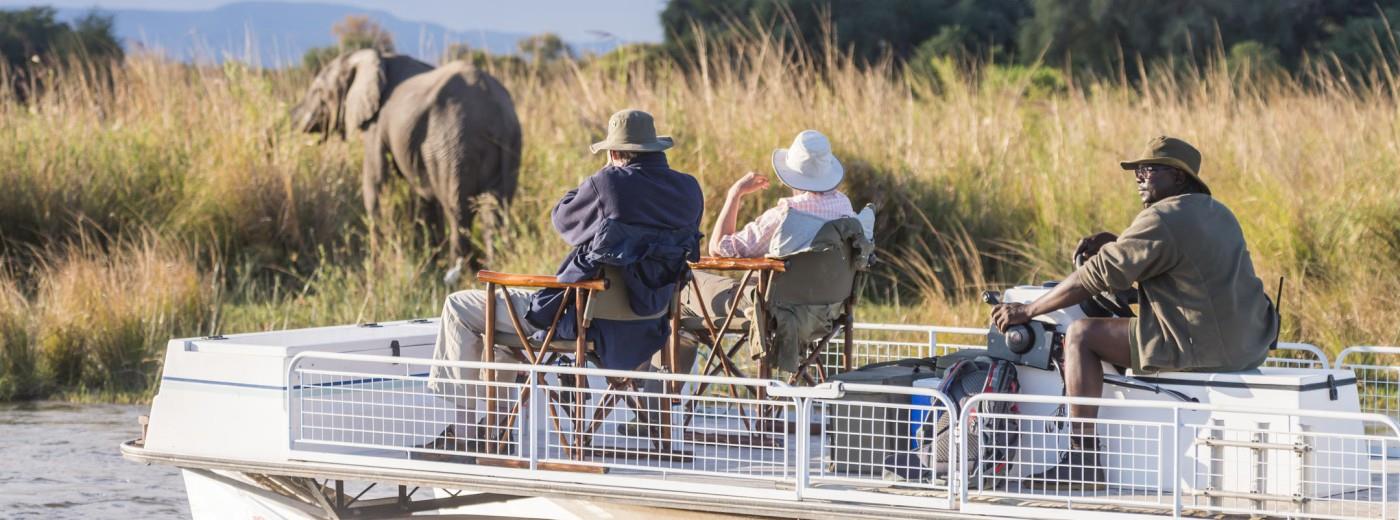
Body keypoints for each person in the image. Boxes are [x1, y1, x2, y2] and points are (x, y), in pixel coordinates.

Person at [991, 135, 1279, 489]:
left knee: (1081, 334)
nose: (1140, 177)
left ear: (1178, 177)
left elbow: (1097, 275)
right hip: (1249, 343)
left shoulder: (1163, 217)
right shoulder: (1218, 212)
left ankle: (1082, 459)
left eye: (1151, 169)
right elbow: (1167, 268)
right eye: (1137, 171)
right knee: (1109, 325)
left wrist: (1028, 309)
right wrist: (1117, 243)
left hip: (1202, 347)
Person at [424, 108, 704, 454]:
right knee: (501, 343)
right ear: (655, 149)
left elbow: (562, 218)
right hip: (649, 323)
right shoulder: (689, 191)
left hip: (581, 322)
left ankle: (468, 431)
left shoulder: (610, 183)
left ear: (615, 153)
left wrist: (605, 175)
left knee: (459, 306)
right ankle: (494, 428)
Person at [681, 129, 858, 373]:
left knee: (685, 288)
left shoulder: (787, 215)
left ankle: (662, 399)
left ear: (791, 175)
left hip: (777, 312)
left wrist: (735, 194)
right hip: (827, 310)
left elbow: (720, 248)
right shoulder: (847, 210)